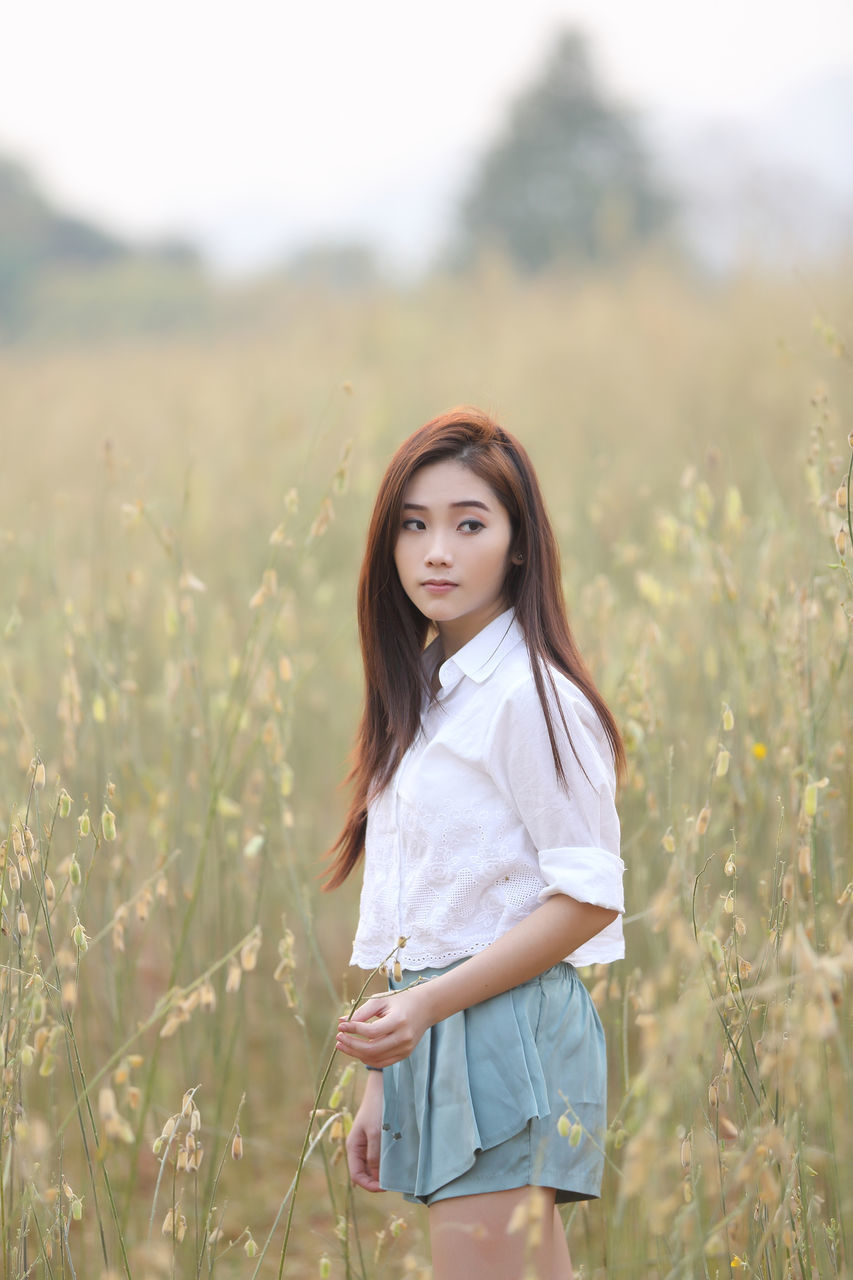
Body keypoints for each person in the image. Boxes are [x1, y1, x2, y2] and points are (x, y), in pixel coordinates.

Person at [328, 407, 626, 1280]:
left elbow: (587, 896)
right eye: (413, 526)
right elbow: (422, 907)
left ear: (518, 543)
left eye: (469, 524)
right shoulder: (427, 692)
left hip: (504, 1029)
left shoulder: (528, 698)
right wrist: (383, 1075)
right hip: (441, 1027)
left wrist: (423, 1011)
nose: (437, 553)